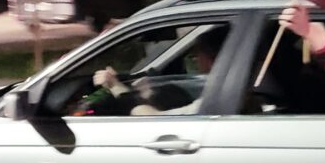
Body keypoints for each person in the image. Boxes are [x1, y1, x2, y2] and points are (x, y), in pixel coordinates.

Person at [86, 30, 223, 116]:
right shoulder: (225, 88)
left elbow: (152, 118)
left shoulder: (217, 100)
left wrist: (114, 86)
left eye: (197, 55)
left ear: (212, 60)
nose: (195, 59)